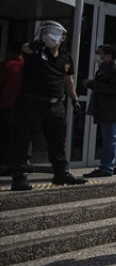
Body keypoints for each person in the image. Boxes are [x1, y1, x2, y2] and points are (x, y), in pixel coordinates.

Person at [8, 22, 86, 191]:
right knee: (22, 139)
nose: (51, 36)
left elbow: (68, 79)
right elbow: (24, 48)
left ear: (63, 38)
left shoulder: (66, 57)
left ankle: (61, 172)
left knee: (57, 140)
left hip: (56, 104)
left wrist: (74, 99)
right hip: (31, 102)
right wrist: (34, 45)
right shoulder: (36, 52)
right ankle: (19, 176)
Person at [81, 44, 116, 178]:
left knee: (110, 138)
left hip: (115, 110)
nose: (96, 55)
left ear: (108, 56)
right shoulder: (105, 69)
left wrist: (92, 84)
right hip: (114, 109)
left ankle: (106, 168)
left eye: (99, 53)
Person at [0, 43, 21, 176]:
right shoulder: (28, 67)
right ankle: (22, 163)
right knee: (21, 137)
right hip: (23, 107)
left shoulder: (5, 66)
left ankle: (8, 164)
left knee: (7, 137)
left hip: (6, 105)